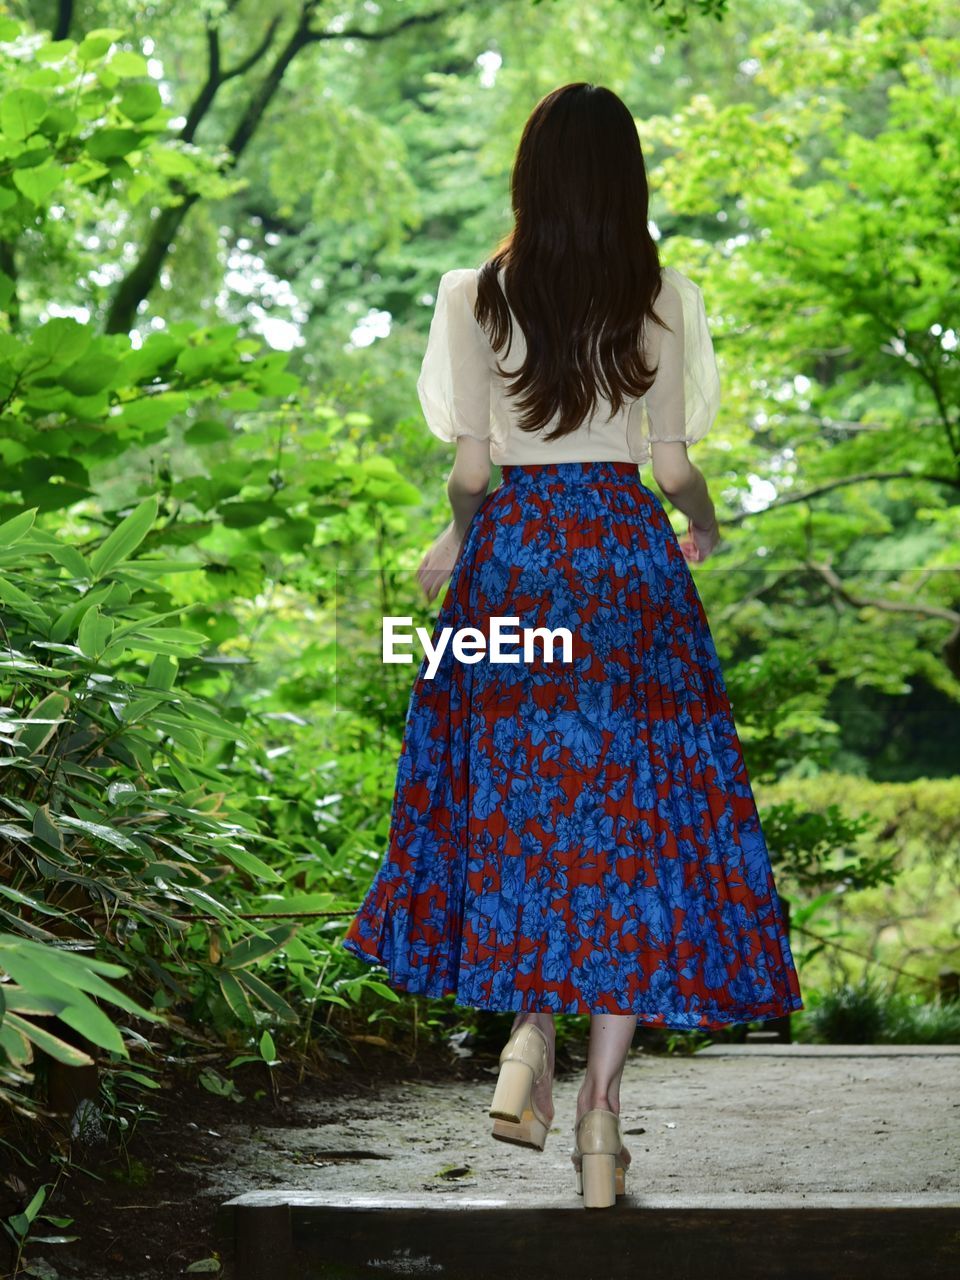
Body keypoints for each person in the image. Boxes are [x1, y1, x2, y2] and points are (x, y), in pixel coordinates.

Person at [343, 82, 804, 1209]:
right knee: (635, 819)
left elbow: (467, 471)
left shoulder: (474, 293)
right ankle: (601, 1122)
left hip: (518, 561)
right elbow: (674, 461)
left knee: (519, 802)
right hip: (627, 572)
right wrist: (699, 522)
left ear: (531, 176)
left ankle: (526, 1034)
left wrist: (455, 548)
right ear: (626, 182)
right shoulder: (664, 297)